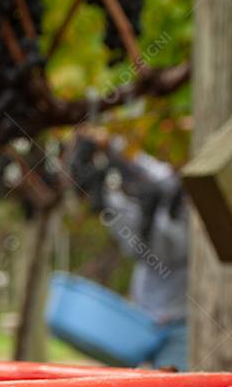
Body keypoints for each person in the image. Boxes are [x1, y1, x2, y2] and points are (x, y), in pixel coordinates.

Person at [70, 132, 190, 370]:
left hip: (181, 326)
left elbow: (161, 184)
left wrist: (116, 152)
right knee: (150, 385)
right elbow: (129, 209)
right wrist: (108, 157)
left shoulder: (187, 220)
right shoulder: (145, 217)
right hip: (145, 322)